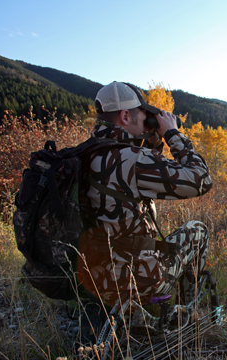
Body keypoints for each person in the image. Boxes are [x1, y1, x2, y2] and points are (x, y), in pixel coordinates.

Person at [76, 81, 212, 341]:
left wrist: (151, 140)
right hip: (131, 278)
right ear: (125, 116)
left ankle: (126, 310)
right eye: (142, 114)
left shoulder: (86, 153)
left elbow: (133, 183)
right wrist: (173, 134)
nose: (146, 121)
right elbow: (201, 179)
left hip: (90, 275)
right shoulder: (131, 159)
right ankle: (184, 315)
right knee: (198, 230)